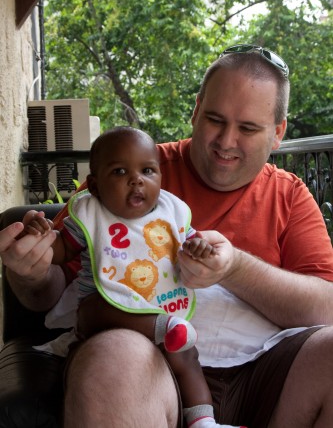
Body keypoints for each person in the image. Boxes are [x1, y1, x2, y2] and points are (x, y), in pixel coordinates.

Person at [2, 43, 333, 428]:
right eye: (214, 119)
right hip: (150, 365)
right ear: (194, 111)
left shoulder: (289, 196)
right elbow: (51, 295)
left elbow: (325, 308)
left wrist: (234, 268)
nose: (226, 141)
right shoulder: (127, 171)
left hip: (266, 376)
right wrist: (31, 273)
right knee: (114, 360)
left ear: (278, 133)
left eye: (247, 128)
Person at [23, 126, 245, 428]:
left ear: (160, 178)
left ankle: (203, 421)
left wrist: (199, 248)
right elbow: (61, 250)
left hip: (165, 309)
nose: (136, 179)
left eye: (148, 170)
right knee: (93, 311)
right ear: (95, 186)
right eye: (118, 171)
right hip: (105, 313)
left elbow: (193, 242)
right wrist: (42, 234)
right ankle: (164, 328)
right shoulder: (91, 215)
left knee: (188, 358)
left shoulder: (171, 213)